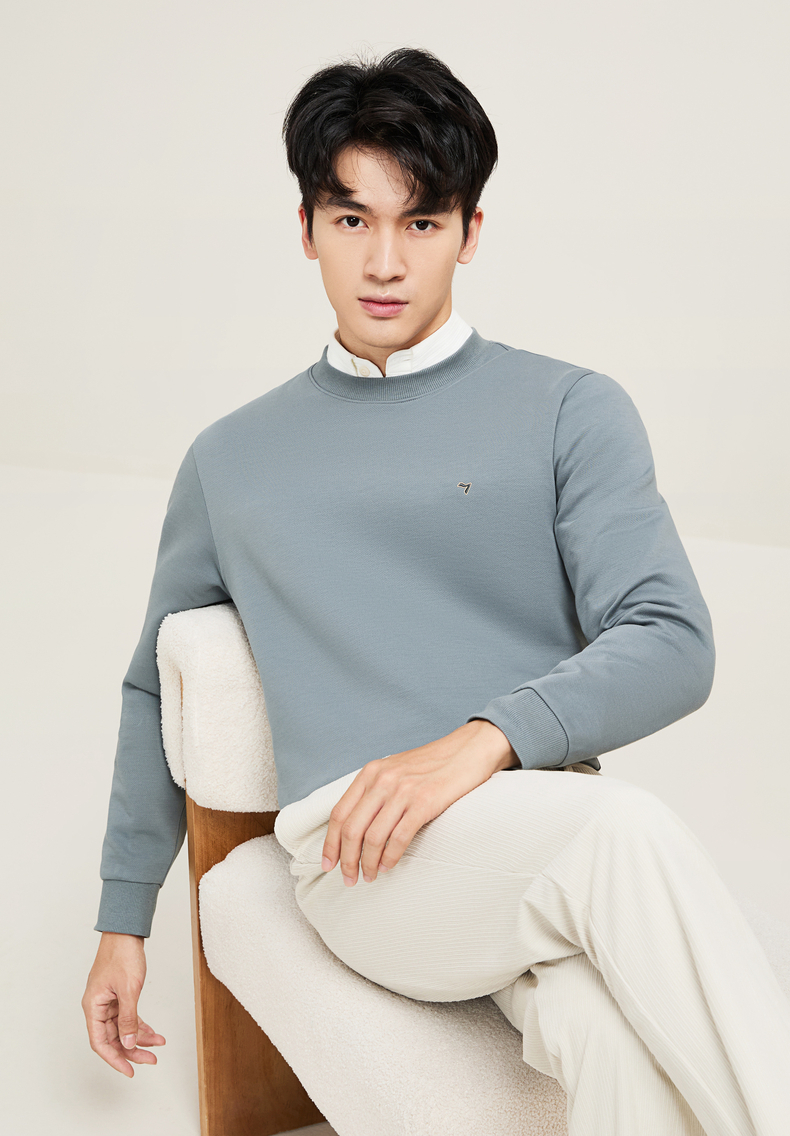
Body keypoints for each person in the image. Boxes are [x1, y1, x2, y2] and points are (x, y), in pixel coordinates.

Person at [82, 46, 790, 1135]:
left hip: (529, 831)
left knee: (607, 1041)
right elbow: (152, 687)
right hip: (363, 859)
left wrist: (481, 740)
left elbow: (671, 638)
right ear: (306, 228)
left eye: (420, 222)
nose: (385, 260)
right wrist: (121, 919)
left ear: (469, 231)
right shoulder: (230, 459)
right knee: (624, 833)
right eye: (351, 218)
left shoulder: (570, 409)